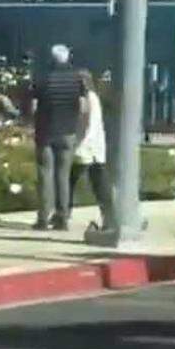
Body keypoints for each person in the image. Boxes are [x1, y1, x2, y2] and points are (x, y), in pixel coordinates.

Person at [31, 45, 86, 231]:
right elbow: (83, 106)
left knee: (45, 174)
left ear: (52, 58)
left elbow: (33, 106)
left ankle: (43, 219)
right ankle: (62, 218)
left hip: (46, 132)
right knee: (63, 175)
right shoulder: (76, 78)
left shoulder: (43, 78)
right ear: (67, 58)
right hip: (68, 131)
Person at [70, 70, 110, 231]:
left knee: (69, 180)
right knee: (99, 183)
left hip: (86, 148)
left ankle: (63, 212)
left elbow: (88, 125)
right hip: (93, 149)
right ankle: (109, 215)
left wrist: (79, 144)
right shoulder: (91, 97)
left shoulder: (88, 99)